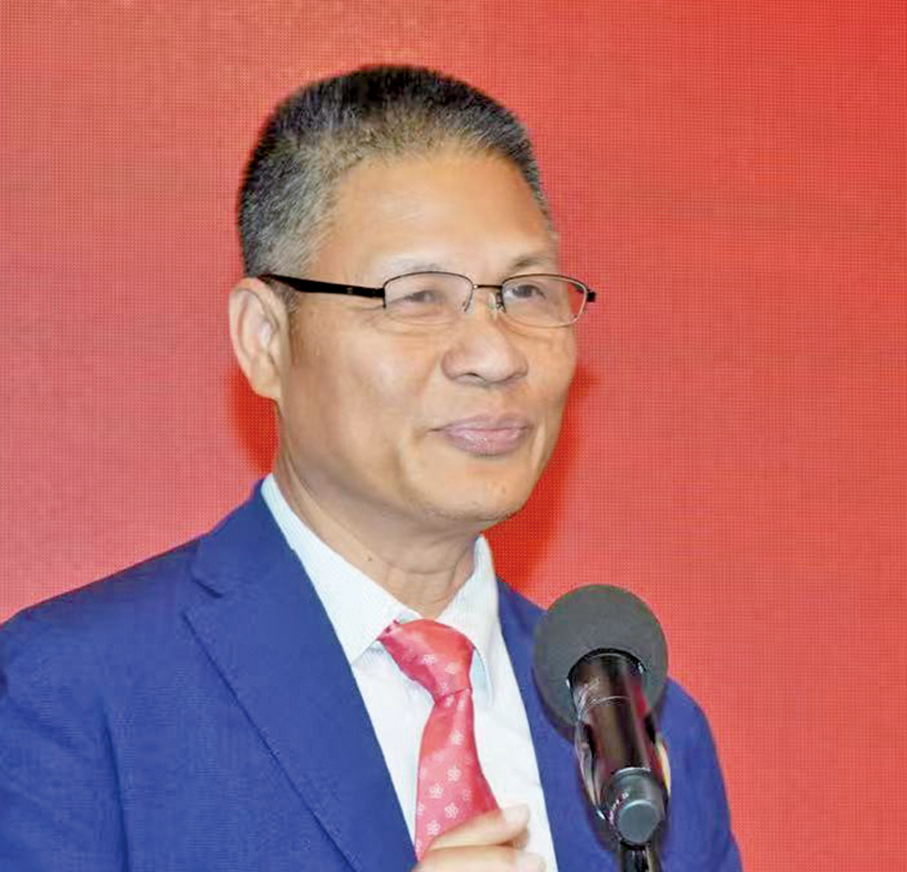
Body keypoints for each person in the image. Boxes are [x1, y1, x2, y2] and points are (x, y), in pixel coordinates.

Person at [0, 66, 741, 871]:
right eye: (418, 297)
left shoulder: (640, 735)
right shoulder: (73, 694)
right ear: (265, 338)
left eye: (526, 292)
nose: (494, 354)